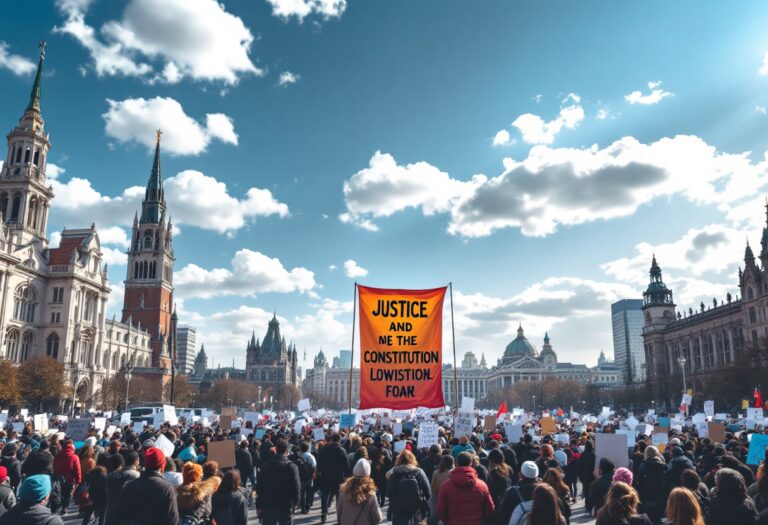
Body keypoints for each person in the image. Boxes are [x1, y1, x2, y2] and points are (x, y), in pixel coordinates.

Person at [115, 447, 180, 525]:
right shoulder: (167, 489)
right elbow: (172, 520)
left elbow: (119, 514)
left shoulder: (129, 485)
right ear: (162, 465)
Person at [436, 451, 494, 525]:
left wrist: (448, 520)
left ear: (456, 464)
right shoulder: (482, 485)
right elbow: (490, 509)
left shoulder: (445, 486)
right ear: (471, 464)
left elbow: (440, 511)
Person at [256, 439, 300, 525]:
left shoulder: (265, 466)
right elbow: (296, 487)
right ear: (287, 451)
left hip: (268, 505)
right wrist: (295, 502)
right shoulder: (292, 467)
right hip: (285, 505)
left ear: (275, 449)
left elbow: (258, 488)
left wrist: (258, 505)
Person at [386, 449, 431, 525]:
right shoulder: (419, 472)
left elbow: (389, 494)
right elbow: (428, 493)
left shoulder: (394, 474)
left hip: (398, 512)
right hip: (416, 511)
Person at [316, 433, 351, 523]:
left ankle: (323, 514)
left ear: (331, 439)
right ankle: (339, 517)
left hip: (326, 477)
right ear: (339, 440)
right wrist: (347, 477)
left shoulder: (324, 449)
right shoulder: (341, 450)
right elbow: (347, 465)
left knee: (325, 497)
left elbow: (319, 463)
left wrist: (318, 472)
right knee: (338, 499)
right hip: (338, 478)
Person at [337, 458, 382, 525]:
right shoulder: (370, 493)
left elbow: (339, 513)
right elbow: (377, 518)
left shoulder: (344, 490)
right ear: (368, 474)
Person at [495, 460, 540, 525]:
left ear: (520, 475)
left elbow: (503, 517)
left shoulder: (511, 492)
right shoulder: (544, 492)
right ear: (537, 476)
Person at [636, 446, 666, 524]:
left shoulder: (643, 466)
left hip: (647, 497)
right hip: (660, 497)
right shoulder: (663, 466)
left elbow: (639, 482)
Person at [53, 439, 81, 516]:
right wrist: (78, 480)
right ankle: (64, 508)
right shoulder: (74, 457)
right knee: (67, 494)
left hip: (59, 478)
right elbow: (77, 470)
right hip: (69, 479)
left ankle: (55, 508)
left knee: (59, 493)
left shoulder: (58, 455)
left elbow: (54, 466)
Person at [429, 455, 454, 525]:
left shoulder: (436, 472)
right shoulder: (453, 472)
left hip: (438, 497)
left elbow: (433, 487)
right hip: (450, 499)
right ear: (452, 462)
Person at [295, 442, 316, 514]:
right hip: (309, 478)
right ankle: (307, 506)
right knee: (309, 493)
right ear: (308, 448)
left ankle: (303, 509)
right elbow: (314, 467)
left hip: (300, 478)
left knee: (302, 493)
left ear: (301, 448)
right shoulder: (311, 456)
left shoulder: (298, 456)